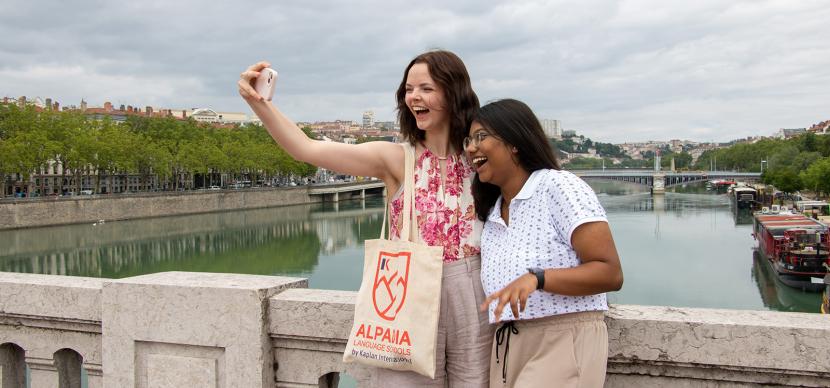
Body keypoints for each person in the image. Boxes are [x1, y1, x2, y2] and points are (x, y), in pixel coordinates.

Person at [238, 50, 493, 387]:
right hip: (410, 287)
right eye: (408, 89)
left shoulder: (481, 156)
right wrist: (260, 104)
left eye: (426, 88)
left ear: (454, 92)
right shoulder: (395, 157)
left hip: (474, 287)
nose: (414, 96)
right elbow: (307, 149)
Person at [464, 99, 624, 388]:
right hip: (507, 346)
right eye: (468, 140)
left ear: (514, 143)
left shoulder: (558, 187)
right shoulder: (493, 211)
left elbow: (609, 272)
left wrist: (538, 279)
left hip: (561, 340)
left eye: (481, 136)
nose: (471, 147)